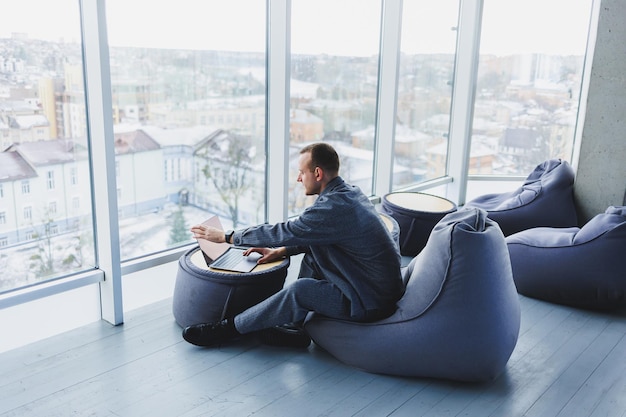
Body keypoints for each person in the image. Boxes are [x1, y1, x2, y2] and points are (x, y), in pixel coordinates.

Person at [183, 142, 404, 348]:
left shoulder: (331, 208)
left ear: (317, 173)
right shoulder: (349, 193)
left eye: (301, 172)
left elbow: (284, 231)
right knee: (312, 255)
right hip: (376, 287)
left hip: (370, 301)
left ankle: (227, 329)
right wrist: (280, 251)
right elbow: (316, 235)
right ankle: (294, 326)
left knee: (301, 290)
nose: (298, 179)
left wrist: (227, 237)